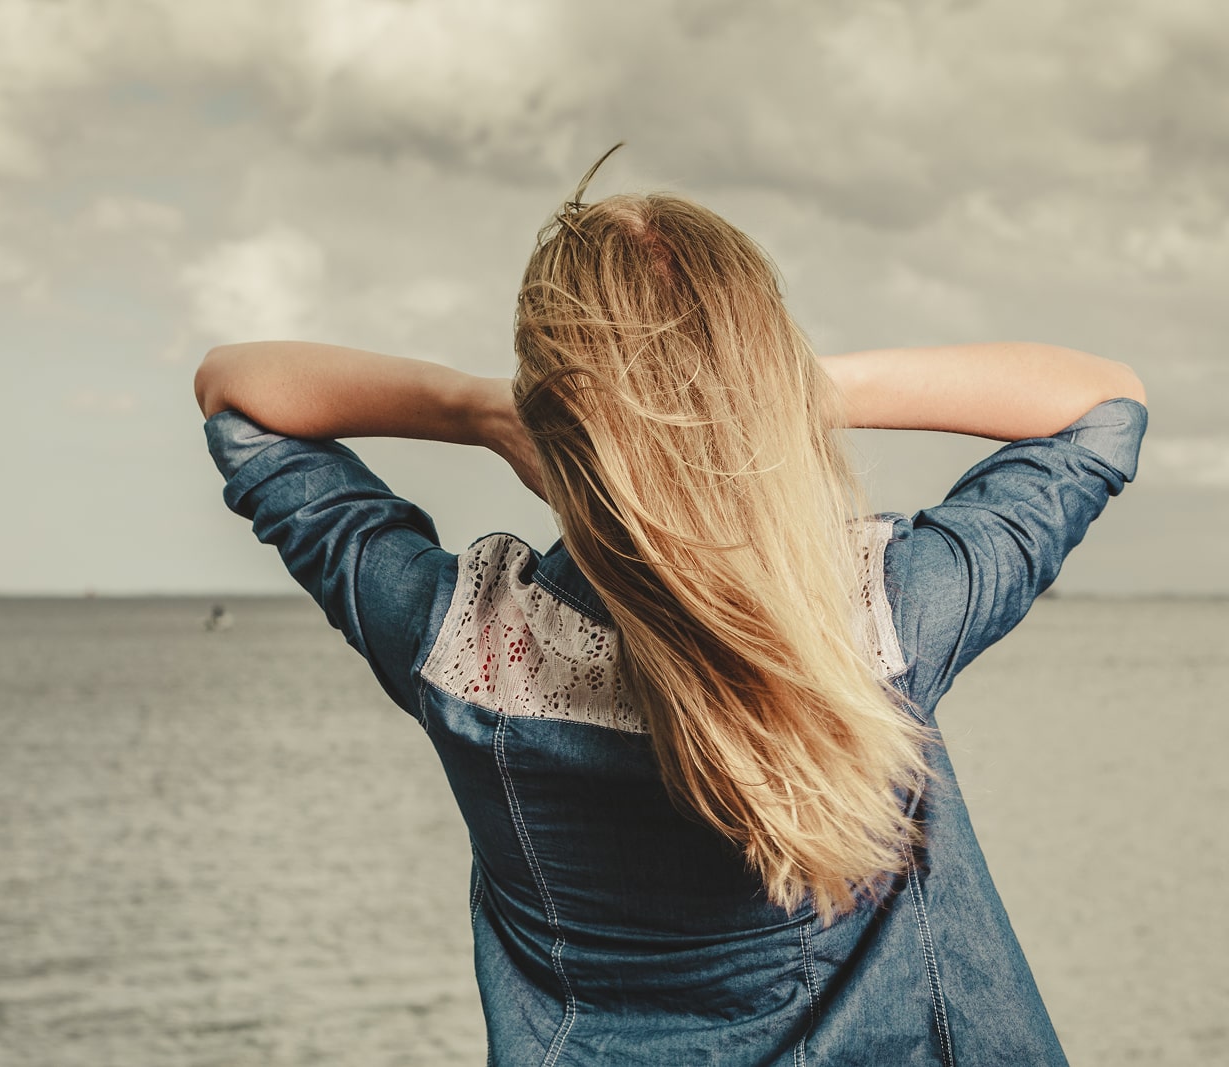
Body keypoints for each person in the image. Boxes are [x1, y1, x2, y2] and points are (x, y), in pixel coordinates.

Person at [193, 149, 1147, 1065]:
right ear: (765, 373)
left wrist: (473, 410)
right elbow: (1104, 404)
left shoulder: (462, 645)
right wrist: (772, 392)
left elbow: (235, 394)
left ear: (550, 416)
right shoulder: (876, 616)